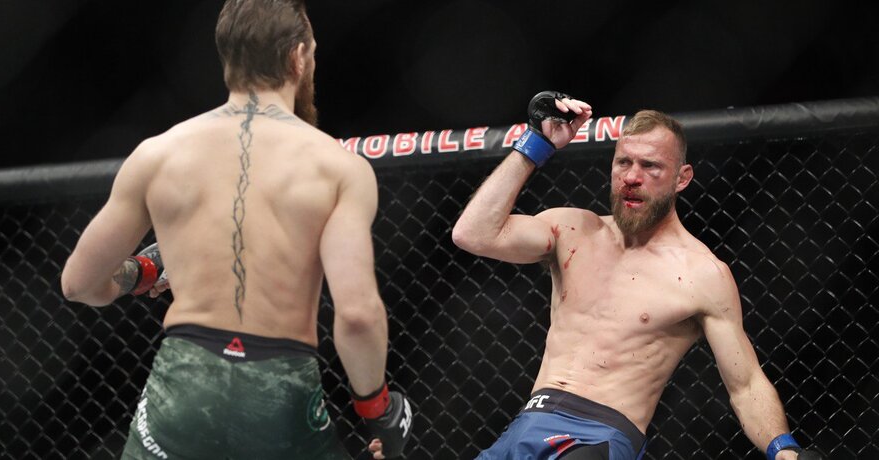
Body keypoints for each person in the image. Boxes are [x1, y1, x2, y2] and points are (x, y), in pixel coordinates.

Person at [60, 1, 411, 458]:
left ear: (227, 59)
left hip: (185, 383)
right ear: (298, 58)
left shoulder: (158, 154)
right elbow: (358, 314)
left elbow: (79, 283)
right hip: (278, 392)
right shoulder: (338, 168)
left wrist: (136, 274)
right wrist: (377, 409)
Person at [450, 92, 821, 459]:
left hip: (596, 439)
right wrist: (536, 142)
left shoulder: (701, 274)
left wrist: (783, 449)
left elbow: (746, 384)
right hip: (526, 425)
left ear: (682, 178)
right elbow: (473, 234)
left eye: (650, 166)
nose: (631, 177)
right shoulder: (573, 230)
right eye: (623, 162)